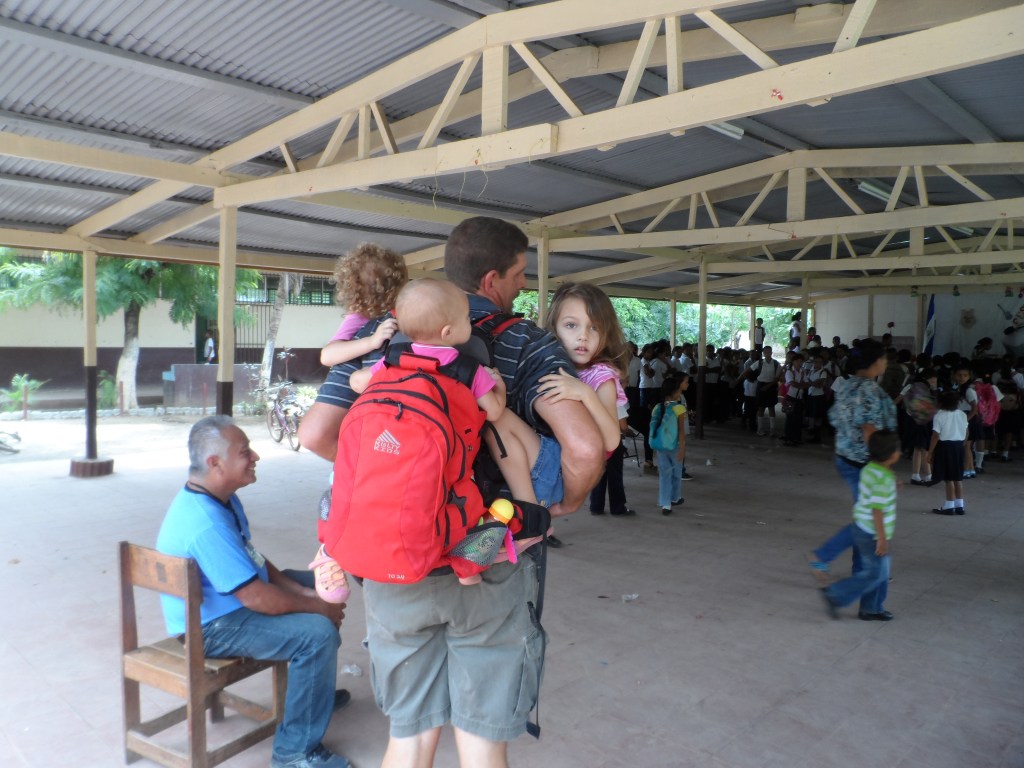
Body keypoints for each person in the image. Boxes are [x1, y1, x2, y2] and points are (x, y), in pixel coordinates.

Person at [298, 217, 604, 768]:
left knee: (409, 736)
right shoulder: (523, 341)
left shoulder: (382, 336)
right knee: (481, 738)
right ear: (492, 280)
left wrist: (393, 489)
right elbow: (584, 449)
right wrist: (564, 504)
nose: (521, 287)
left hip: (394, 558)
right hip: (483, 556)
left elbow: (317, 435)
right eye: (518, 276)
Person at [156, 416, 351, 768]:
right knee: (317, 635)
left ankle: (310, 696)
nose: (256, 456)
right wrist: (318, 610)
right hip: (210, 627)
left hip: (226, 605)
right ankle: (295, 752)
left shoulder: (221, 498)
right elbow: (257, 597)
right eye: (245, 452)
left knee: (319, 584)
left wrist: (308, 595)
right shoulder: (205, 522)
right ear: (215, 463)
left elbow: (254, 560)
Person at [313, 278, 508, 593]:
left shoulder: (393, 358)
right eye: (464, 321)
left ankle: (331, 548)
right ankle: (466, 566)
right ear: (449, 332)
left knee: (338, 490)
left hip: (382, 470)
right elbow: (495, 411)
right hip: (440, 485)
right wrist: (497, 383)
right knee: (485, 507)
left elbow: (358, 383)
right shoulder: (470, 370)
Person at [807, 340, 896, 580]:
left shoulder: (846, 385)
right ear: (876, 362)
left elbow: (835, 419)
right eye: (885, 359)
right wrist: (882, 470)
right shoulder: (868, 390)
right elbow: (869, 431)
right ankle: (825, 557)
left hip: (845, 457)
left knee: (864, 516)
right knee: (867, 521)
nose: (886, 363)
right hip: (863, 464)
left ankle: (860, 568)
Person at [820, 430, 900, 622]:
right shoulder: (884, 479)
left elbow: (876, 489)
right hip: (872, 533)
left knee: (880, 571)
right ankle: (836, 594)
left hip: (862, 527)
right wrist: (881, 539)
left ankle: (871, 608)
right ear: (891, 455)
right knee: (874, 573)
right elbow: (877, 510)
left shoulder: (871, 468)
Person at [319, 243, 407, 368]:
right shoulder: (360, 316)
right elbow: (327, 356)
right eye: (374, 287)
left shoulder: (401, 314)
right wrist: (372, 341)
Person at [650, 374, 688, 515]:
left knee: (664, 474)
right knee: (676, 473)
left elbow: (656, 428)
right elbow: (681, 432)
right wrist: (683, 448)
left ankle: (665, 504)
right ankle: (675, 497)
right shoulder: (679, 408)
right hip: (675, 446)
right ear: (675, 392)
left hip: (661, 446)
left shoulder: (657, 407)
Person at [928, 390, 968, 515]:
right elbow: (967, 431)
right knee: (957, 477)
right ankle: (960, 505)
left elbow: (935, 436)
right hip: (958, 446)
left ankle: (949, 505)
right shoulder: (962, 414)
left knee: (948, 478)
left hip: (945, 446)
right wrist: (963, 443)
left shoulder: (940, 415)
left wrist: (930, 452)